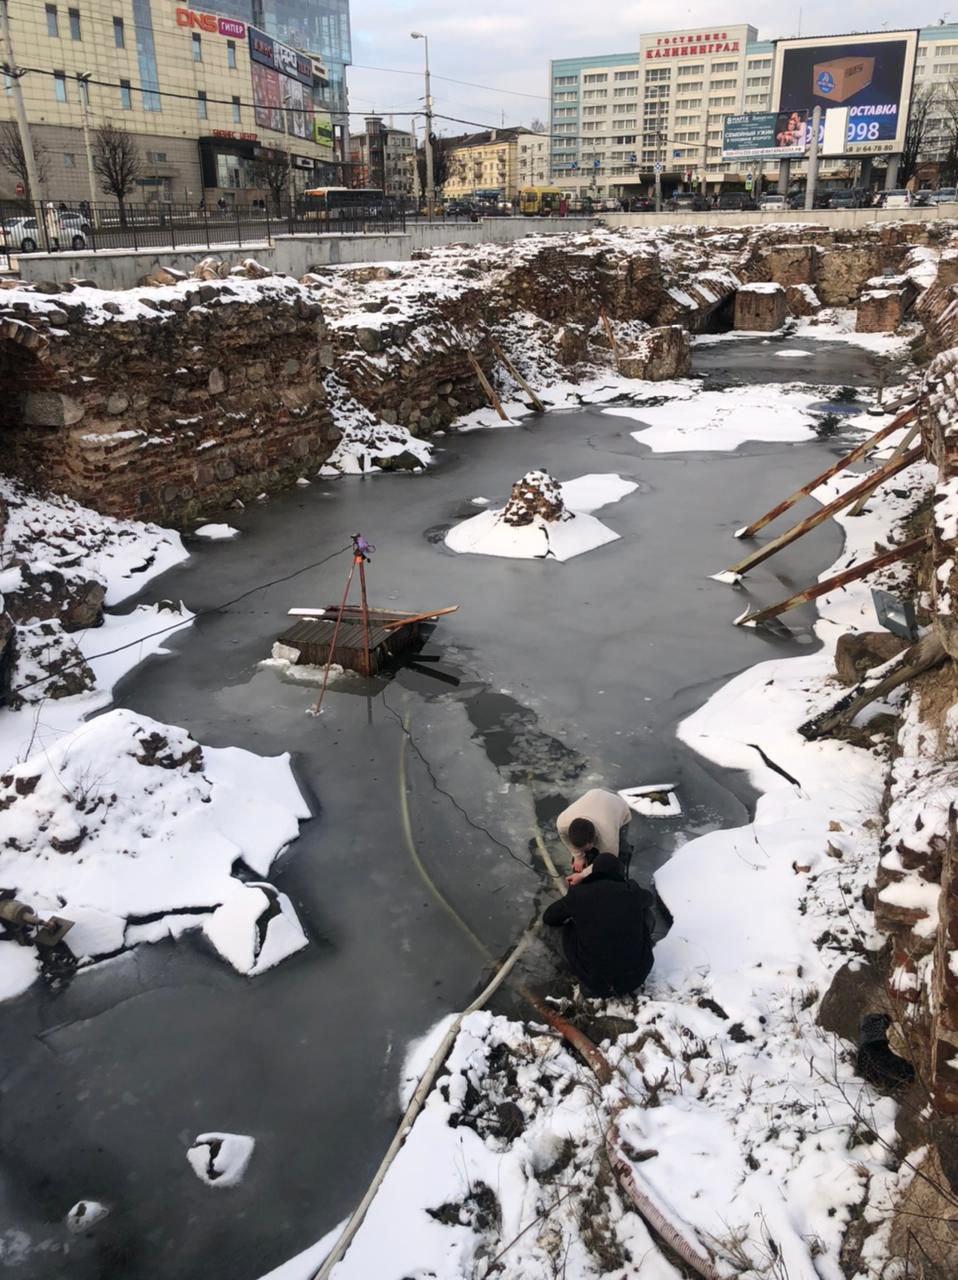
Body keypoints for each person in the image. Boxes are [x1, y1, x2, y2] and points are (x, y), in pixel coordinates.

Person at [543, 853, 654, 997]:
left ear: (593, 872)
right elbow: (649, 899)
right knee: (647, 914)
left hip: (594, 982)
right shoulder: (632, 891)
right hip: (635, 978)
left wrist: (575, 911)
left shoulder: (579, 894)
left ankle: (568, 967)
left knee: (555, 928)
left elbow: (549, 917)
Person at [556, 787, 632, 882]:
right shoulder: (562, 823)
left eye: (585, 848)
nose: (582, 851)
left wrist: (582, 875)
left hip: (618, 806)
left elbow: (608, 859)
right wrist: (578, 856)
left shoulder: (608, 838)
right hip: (594, 795)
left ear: (594, 839)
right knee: (589, 854)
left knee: (620, 853)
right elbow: (565, 839)